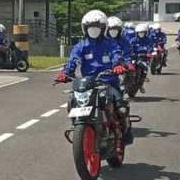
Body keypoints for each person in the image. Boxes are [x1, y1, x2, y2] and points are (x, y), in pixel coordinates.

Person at [56, 10, 132, 142]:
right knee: (73, 102)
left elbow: (117, 54)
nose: (93, 31)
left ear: (103, 29)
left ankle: (124, 129)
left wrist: (118, 65)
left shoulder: (111, 43)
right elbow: (73, 60)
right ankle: (80, 127)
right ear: (85, 29)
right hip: (88, 84)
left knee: (121, 107)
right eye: (90, 28)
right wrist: (65, 73)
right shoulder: (81, 46)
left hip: (109, 82)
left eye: (97, 28)